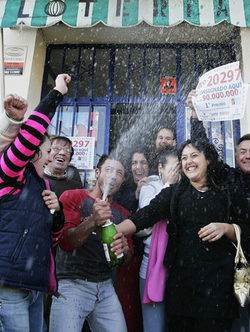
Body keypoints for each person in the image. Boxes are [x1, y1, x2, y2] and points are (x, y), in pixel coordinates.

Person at [108, 139, 249, 332]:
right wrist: (115, 230)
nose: (188, 161)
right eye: (184, 158)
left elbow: (247, 227)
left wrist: (227, 228)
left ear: (207, 159)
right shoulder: (175, 193)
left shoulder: (227, 192)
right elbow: (145, 215)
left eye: (194, 156)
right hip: (181, 287)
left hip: (217, 290)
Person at [0, 74, 71, 332]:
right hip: (8, 286)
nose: (53, 155)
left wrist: (58, 213)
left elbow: (51, 240)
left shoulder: (45, 186)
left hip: (34, 287)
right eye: (49, 150)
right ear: (32, 152)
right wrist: (57, 93)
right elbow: (30, 134)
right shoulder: (10, 173)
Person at [49, 154, 132, 332]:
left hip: (105, 286)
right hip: (72, 284)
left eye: (119, 173)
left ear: (123, 180)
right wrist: (92, 221)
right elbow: (66, 242)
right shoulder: (72, 197)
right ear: (97, 172)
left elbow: (127, 257)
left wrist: (124, 251)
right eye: (108, 170)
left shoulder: (123, 213)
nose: (113, 176)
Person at [138, 147, 180, 332]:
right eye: (175, 168)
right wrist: (167, 185)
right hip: (152, 263)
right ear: (160, 168)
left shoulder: (185, 189)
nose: (179, 173)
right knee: (154, 325)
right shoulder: (150, 186)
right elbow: (149, 216)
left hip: (178, 265)